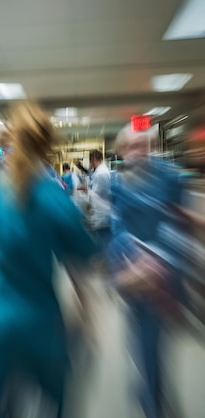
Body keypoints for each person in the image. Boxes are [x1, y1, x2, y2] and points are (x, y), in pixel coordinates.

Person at [0, 101, 96, 418]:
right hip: (45, 328)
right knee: (56, 406)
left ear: (8, 148)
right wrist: (89, 325)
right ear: (47, 146)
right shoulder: (55, 199)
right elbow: (82, 274)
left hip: (0, 328)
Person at [108, 125, 184, 418]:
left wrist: (158, 259)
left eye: (144, 145)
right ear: (123, 149)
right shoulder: (118, 181)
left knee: (155, 338)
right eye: (132, 146)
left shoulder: (169, 176)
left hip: (163, 272)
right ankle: (149, 387)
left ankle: (152, 397)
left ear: (152, 147)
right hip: (131, 270)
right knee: (139, 333)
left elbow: (175, 222)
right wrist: (128, 255)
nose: (138, 152)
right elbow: (117, 226)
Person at [79, 149, 112, 253]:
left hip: (102, 212)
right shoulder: (99, 171)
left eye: (90, 160)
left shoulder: (100, 174)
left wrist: (86, 189)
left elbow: (97, 194)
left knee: (105, 237)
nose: (90, 163)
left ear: (93, 159)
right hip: (101, 211)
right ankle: (105, 259)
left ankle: (107, 260)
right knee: (103, 236)